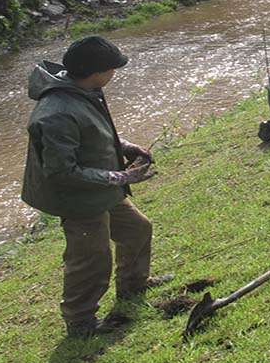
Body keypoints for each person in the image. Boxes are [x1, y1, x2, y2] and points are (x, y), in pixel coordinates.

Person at [21, 36, 171, 337]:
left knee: (137, 229)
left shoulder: (84, 90)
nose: (113, 75)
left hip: (101, 185)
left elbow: (94, 133)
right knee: (91, 259)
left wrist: (126, 147)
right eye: (111, 69)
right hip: (78, 198)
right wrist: (122, 177)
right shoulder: (57, 113)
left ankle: (133, 285)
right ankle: (80, 321)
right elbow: (62, 172)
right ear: (96, 71)